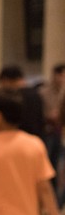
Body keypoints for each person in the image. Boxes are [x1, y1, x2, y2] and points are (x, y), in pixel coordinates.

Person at [0, 65, 46, 140]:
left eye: (1, 83)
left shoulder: (15, 97)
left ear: (6, 80)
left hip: (19, 138)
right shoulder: (36, 94)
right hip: (37, 138)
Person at [38, 63, 65, 202]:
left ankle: (57, 200)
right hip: (47, 131)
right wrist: (49, 115)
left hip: (59, 132)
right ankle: (47, 198)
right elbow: (38, 113)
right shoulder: (43, 92)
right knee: (47, 166)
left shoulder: (63, 92)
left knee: (58, 165)